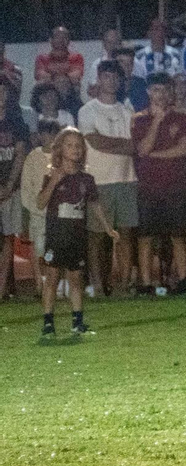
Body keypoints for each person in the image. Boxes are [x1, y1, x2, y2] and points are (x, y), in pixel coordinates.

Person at [37, 127, 118, 337]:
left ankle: (77, 321)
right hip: (57, 236)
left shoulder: (86, 179)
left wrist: (108, 228)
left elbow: (95, 205)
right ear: (60, 149)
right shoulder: (52, 175)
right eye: (69, 145)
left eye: (78, 146)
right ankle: (48, 323)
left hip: (76, 236)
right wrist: (54, 181)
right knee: (52, 278)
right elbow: (40, 203)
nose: (75, 149)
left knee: (76, 279)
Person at [76, 61, 139, 296]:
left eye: (115, 77)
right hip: (98, 180)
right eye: (106, 76)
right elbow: (94, 141)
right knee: (96, 237)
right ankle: (99, 286)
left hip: (127, 179)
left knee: (126, 236)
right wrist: (126, 146)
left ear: (120, 81)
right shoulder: (87, 110)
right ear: (99, 79)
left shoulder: (127, 111)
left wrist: (121, 145)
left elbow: (134, 146)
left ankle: (123, 285)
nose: (111, 81)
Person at [130, 73, 186, 294]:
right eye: (157, 90)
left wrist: (153, 155)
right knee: (146, 236)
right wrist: (157, 121)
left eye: (166, 90)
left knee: (178, 235)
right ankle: (147, 282)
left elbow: (183, 150)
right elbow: (141, 149)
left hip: (175, 185)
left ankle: (184, 279)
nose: (162, 95)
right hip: (149, 186)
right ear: (149, 91)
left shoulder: (182, 118)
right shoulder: (139, 119)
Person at [20, 119, 59, 296]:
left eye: (53, 134)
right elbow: (26, 186)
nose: (49, 137)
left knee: (58, 249)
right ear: (39, 135)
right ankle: (39, 285)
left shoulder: (62, 157)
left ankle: (57, 285)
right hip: (38, 213)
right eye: (45, 133)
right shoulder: (33, 157)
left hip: (59, 214)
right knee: (39, 250)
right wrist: (32, 209)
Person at [0, 115, 23, 300]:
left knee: (8, 238)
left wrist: (8, 185)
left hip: (11, 190)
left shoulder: (15, 123)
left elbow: (20, 155)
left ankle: (2, 289)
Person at [34, 26, 85, 107]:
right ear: (50, 40)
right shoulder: (42, 58)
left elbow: (76, 76)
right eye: (58, 36)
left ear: (69, 41)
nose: (61, 40)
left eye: (65, 37)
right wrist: (64, 77)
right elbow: (41, 76)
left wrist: (52, 75)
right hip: (48, 101)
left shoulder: (77, 57)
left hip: (70, 99)